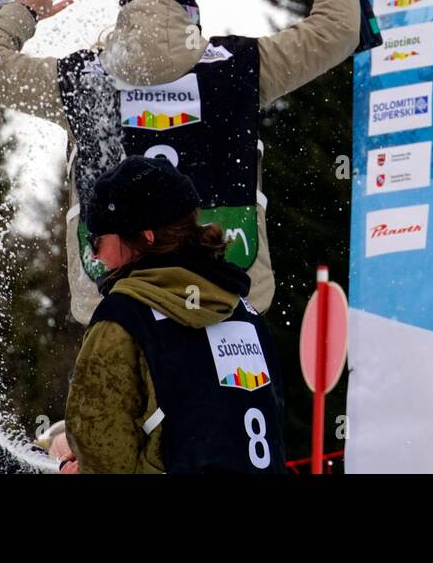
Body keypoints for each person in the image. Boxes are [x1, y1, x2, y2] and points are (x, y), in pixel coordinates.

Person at [0, 0, 359, 324]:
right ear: (192, 21)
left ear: (122, 21)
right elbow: (339, 30)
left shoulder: (80, 80)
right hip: (225, 297)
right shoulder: (243, 67)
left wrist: (24, 8)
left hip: (114, 302)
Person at [63, 155, 287, 474]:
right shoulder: (245, 312)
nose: (94, 254)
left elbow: (102, 451)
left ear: (145, 236)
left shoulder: (124, 317)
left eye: (98, 239)